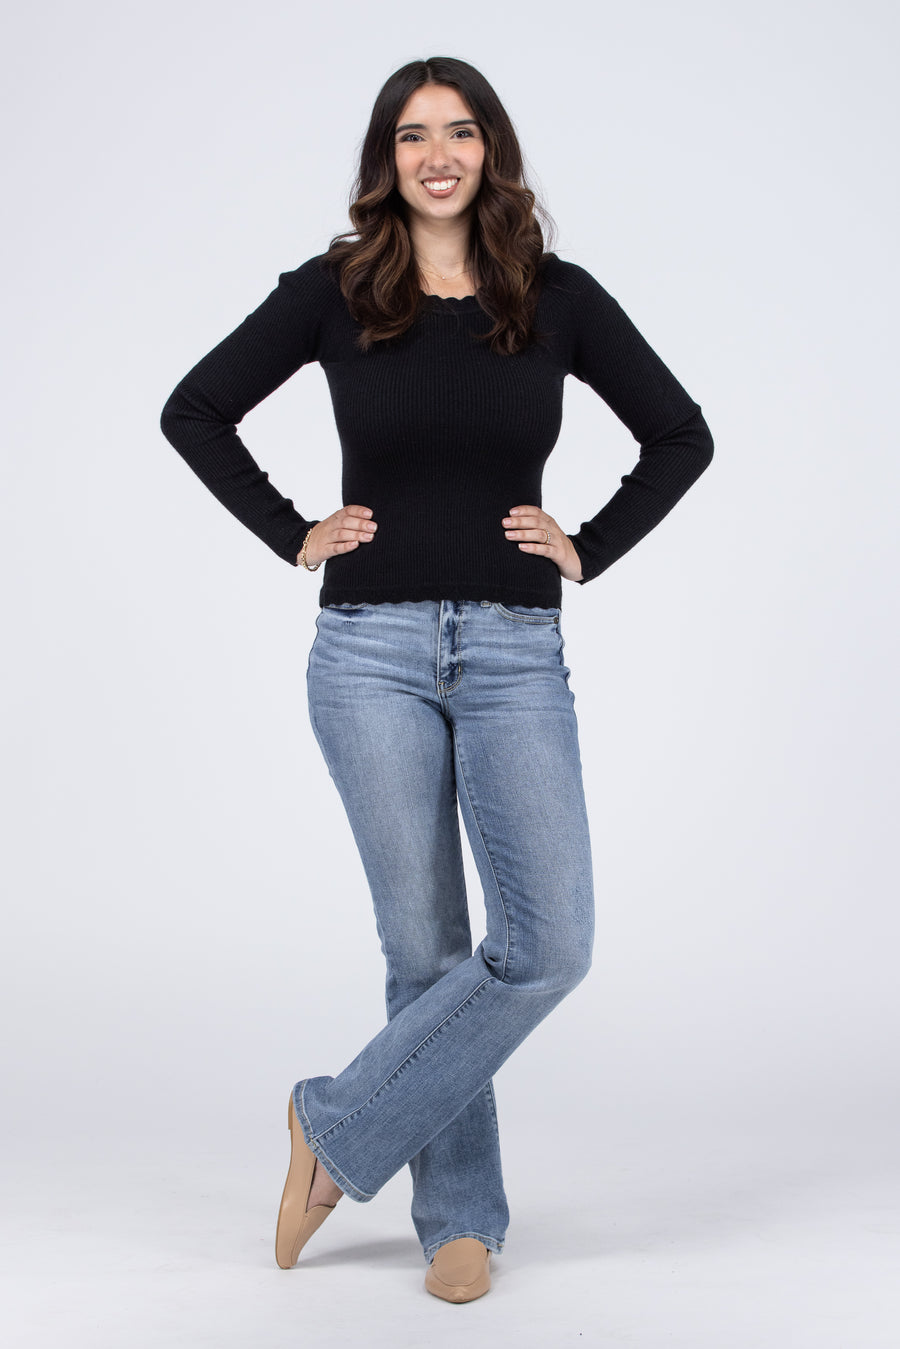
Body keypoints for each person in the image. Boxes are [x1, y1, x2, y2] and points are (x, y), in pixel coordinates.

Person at [160, 55, 713, 1303]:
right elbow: (195, 408)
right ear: (387, 160)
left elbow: (682, 434)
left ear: (491, 149)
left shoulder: (555, 296)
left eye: (460, 131)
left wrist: (590, 545)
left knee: (548, 941)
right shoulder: (335, 292)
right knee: (426, 948)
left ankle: (334, 1124)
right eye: (413, 136)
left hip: (514, 649)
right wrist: (293, 530)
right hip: (369, 648)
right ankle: (457, 1217)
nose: (439, 155)